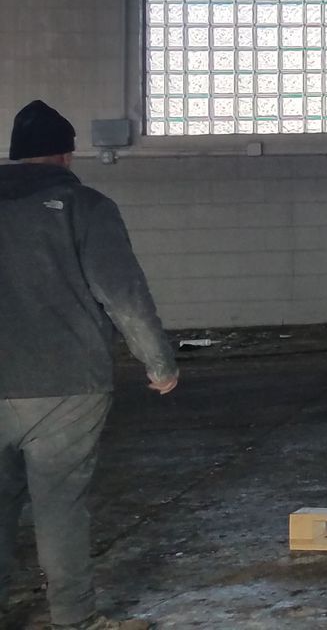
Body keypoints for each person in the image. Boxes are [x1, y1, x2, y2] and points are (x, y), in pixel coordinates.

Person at [1, 101, 175, 630]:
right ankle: (74, 620)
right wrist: (159, 362)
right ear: (66, 154)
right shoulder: (86, 206)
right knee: (59, 505)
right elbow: (122, 293)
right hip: (67, 385)